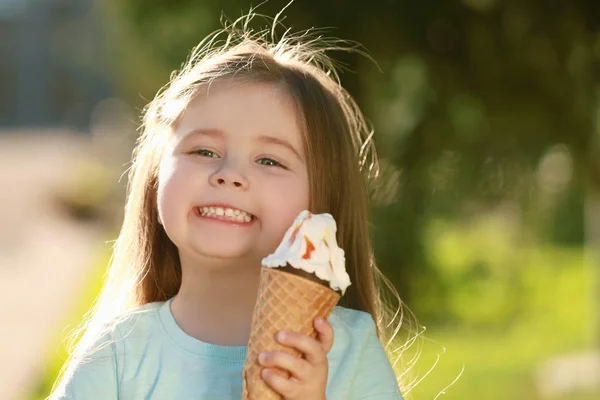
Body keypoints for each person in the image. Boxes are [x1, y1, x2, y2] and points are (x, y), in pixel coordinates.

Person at [50, 11, 406, 400]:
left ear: (323, 200)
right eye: (203, 150)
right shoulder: (118, 352)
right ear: (155, 175)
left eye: (269, 160)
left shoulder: (351, 351)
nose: (229, 174)